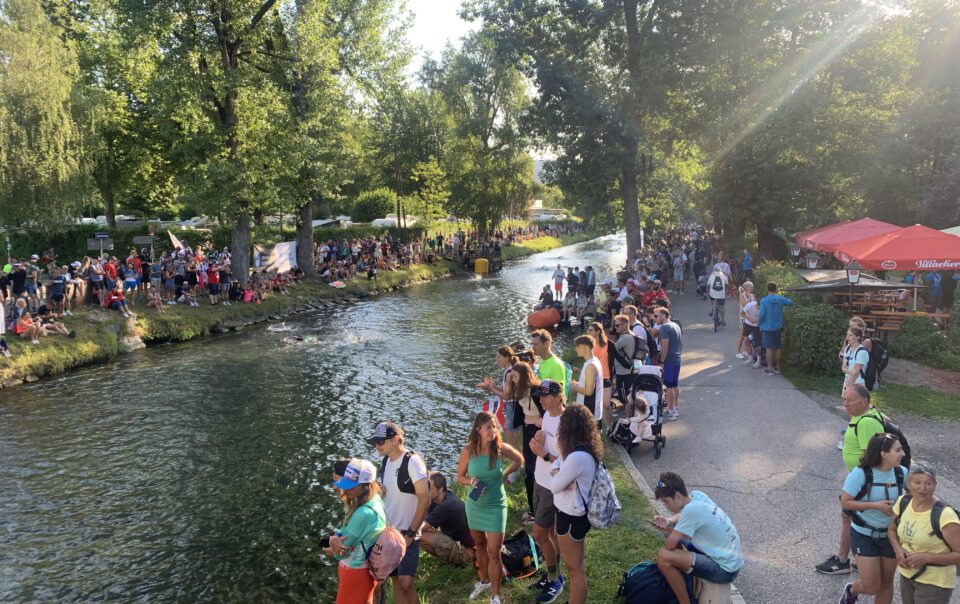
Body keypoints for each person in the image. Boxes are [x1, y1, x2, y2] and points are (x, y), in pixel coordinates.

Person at [816, 385, 887, 575]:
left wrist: (854, 488)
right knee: (856, 520)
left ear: (864, 401)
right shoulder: (861, 416)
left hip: (863, 484)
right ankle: (863, 558)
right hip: (860, 480)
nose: (845, 404)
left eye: (850, 400)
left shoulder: (866, 423)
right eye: (844, 399)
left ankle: (842, 561)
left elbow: (870, 457)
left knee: (850, 518)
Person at [457, 411, 523, 604]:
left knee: (494, 551)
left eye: (494, 427)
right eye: (488, 427)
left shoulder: (501, 448)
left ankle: (495, 596)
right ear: (478, 429)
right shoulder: (468, 450)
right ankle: (483, 581)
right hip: (475, 506)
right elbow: (459, 477)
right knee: (479, 545)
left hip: (496, 505)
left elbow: (519, 460)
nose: (493, 431)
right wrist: (470, 481)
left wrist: (505, 474)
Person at [838, 433, 908, 604]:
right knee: (871, 586)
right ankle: (852, 590)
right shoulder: (860, 474)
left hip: (891, 536)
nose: (903, 454)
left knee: (885, 584)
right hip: (864, 534)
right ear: (883, 454)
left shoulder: (902, 473)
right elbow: (845, 502)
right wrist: (876, 506)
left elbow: (914, 497)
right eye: (898, 450)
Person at [653, 472, 744, 604]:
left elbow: (670, 545)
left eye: (666, 502)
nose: (665, 506)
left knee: (663, 557)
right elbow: (684, 515)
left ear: (677, 496)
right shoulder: (697, 496)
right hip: (733, 562)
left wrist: (667, 528)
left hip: (724, 570)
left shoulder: (691, 511)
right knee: (678, 538)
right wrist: (669, 521)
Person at [369, 422, 430, 604]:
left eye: (381, 442)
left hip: (407, 533)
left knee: (406, 583)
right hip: (389, 534)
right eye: (376, 442)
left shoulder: (412, 461)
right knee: (395, 581)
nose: (377, 446)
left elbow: (425, 500)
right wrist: (381, 490)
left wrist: (411, 533)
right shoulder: (386, 461)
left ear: (396, 440)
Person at [548, 405, 602, 604]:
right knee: (574, 568)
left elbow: (553, 486)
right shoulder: (575, 452)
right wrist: (559, 475)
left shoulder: (577, 457)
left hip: (571, 517)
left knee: (574, 570)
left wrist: (559, 476)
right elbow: (555, 466)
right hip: (569, 514)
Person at [889, 465, 960, 604]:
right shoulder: (903, 502)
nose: (923, 488)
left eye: (928, 483)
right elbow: (891, 529)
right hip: (907, 575)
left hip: (935, 582)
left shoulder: (945, 515)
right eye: (917, 482)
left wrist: (926, 558)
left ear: (935, 485)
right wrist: (898, 551)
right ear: (909, 484)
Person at [327, 458, 387, 604]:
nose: (346, 490)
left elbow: (340, 552)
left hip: (354, 573)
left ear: (366, 485)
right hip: (366, 571)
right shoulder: (376, 501)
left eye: (351, 486)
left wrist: (332, 542)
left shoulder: (363, 514)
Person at [527, 380, 566, 603]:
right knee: (550, 533)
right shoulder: (548, 416)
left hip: (553, 485)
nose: (540, 400)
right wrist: (537, 440)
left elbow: (569, 461)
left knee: (539, 534)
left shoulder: (567, 421)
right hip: (539, 480)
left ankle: (555, 580)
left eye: (545, 395)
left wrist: (542, 454)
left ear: (559, 396)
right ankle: (554, 573)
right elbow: (545, 443)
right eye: (539, 396)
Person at [420, 472, 476, 567]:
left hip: (468, 552)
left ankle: (457, 562)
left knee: (418, 536)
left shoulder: (446, 505)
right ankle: (448, 559)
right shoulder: (444, 496)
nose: (427, 491)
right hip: (460, 543)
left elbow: (419, 528)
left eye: (430, 488)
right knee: (421, 530)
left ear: (440, 489)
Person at [478, 346, 520, 451]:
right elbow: (507, 391)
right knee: (513, 441)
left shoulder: (509, 373)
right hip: (513, 407)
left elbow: (506, 396)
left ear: (507, 358)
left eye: (499, 357)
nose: (496, 359)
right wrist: (493, 386)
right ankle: (518, 464)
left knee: (511, 444)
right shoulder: (509, 370)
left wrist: (491, 388)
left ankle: (516, 465)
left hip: (512, 408)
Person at [758, 282, 793, 375]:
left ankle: (770, 369)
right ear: (776, 289)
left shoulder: (764, 301)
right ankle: (778, 367)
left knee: (768, 348)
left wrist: (759, 323)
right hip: (777, 327)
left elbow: (761, 314)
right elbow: (790, 302)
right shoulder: (779, 299)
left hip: (767, 327)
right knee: (777, 347)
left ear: (767, 289)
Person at [654, 307, 683, 421]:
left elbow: (664, 346)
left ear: (663, 316)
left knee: (669, 386)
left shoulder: (665, 327)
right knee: (674, 385)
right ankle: (675, 408)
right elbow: (681, 343)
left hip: (670, 360)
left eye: (656, 316)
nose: (655, 318)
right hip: (677, 358)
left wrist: (661, 360)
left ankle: (670, 410)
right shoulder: (675, 325)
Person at [612, 314, 645, 410]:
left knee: (625, 399)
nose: (615, 328)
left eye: (617, 325)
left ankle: (631, 420)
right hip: (632, 370)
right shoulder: (634, 335)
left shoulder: (624, 338)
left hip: (623, 373)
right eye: (615, 325)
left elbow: (612, 349)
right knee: (631, 396)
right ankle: (635, 415)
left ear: (626, 324)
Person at [586, 322, 614, 433]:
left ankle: (609, 426)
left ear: (598, 331)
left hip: (605, 377)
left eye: (591, 330)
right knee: (596, 404)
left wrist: (630, 366)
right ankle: (599, 427)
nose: (588, 332)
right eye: (588, 330)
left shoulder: (608, 343)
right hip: (593, 377)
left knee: (606, 405)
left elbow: (617, 356)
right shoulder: (589, 345)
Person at [570, 335, 603, 425]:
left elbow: (589, 391)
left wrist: (574, 387)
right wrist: (579, 382)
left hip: (589, 411)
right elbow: (590, 381)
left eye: (578, 346)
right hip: (591, 410)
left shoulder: (590, 366)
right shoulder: (594, 361)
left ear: (586, 347)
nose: (576, 349)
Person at [842, 326, 870, 394]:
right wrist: (851, 371)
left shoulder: (862, 352)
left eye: (851, 335)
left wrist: (848, 388)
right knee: (847, 403)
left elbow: (855, 374)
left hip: (858, 384)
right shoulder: (848, 348)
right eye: (847, 334)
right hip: (847, 381)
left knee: (854, 403)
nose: (847, 337)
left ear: (858, 337)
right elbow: (843, 368)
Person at [735, 282, 756, 359]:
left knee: (748, 336)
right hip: (743, 318)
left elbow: (755, 305)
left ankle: (745, 351)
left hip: (751, 318)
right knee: (742, 335)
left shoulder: (753, 295)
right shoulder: (742, 295)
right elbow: (746, 305)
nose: (752, 288)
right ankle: (737, 352)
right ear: (747, 288)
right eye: (751, 287)